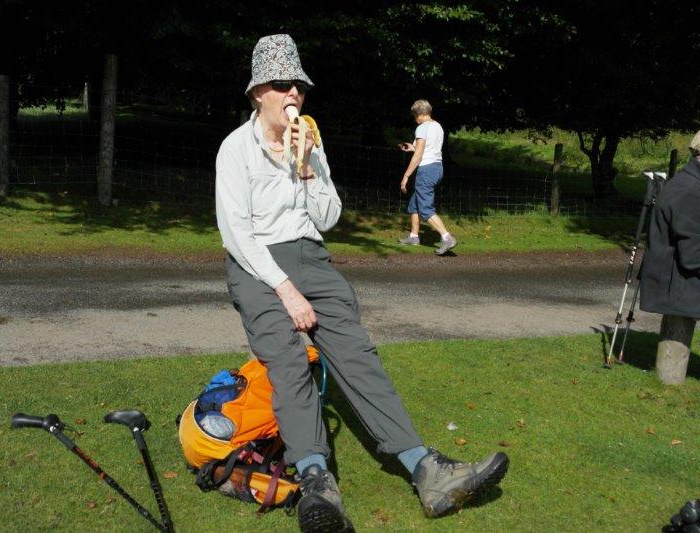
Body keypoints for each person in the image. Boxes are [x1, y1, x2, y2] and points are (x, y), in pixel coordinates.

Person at [215, 34, 508, 532]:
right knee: (289, 363)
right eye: (283, 84)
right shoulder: (235, 149)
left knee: (356, 354)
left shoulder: (310, 142)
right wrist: (286, 290)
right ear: (258, 92)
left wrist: (308, 167)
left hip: (311, 255)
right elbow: (236, 233)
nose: (294, 93)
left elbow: (329, 217)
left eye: (299, 85)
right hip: (256, 265)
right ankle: (316, 482)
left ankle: (424, 468)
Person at [640, 131, 700, 321]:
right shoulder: (690, 190)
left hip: (681, 290)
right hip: (680, 292)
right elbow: (693, 256)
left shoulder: (690, 183)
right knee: (675, 339)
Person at [397, 100, 457, 255]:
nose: (414, 119)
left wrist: (406, 176)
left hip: (426, 169)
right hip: (437, 168)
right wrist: (412, 147)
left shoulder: (422, 127)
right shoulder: (438, 126)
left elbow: (419, 154)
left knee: (425, 208)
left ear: (420, 114)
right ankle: (414, 237)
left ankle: (447, 237)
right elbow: (427, 148)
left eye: (414, 116)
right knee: (415, 202)